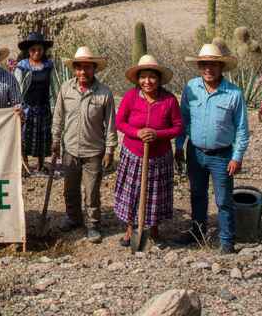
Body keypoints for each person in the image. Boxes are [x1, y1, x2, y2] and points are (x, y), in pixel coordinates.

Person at [173, 43, 250, 254]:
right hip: (195, 152)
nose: (208, 69)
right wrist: (179, 146)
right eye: (204, 64)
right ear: (199, 66)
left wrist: (237, 157)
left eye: (213, 64)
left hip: (222, 155)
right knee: (197, 194)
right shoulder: (191, 88)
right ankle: (197, 232)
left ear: (221, 67)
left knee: (223, 200)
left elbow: (242, 129)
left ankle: (227, 242)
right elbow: (183, 120)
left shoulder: (234, 93)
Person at [114, 55, 183, 247]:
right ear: (138, 79)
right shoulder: (130, 96)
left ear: (159, 79)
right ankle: (130, 229)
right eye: (143, 77)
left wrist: (157, 134)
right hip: (133, 154)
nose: (147, 81)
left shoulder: (169, 100)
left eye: (152, 77)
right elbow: (120, 122)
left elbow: (178, 127)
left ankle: (154, 230)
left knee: (156, 195)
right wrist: (137, 132)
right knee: (132, 193)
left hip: (159, 157)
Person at [50, 46, 117, 241]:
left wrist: (110, 150)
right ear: (74, 69)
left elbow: (111, 124)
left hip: (93, 151)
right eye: (79, 67)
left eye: (87, 67)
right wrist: (55, 140)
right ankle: (73, 218)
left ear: (94, 68)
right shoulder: (66, 89)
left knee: (91, 191)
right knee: (70, 189)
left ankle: (93, 224)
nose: (83, 72)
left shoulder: (104, 93)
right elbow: (58, 116)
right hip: (70, 149)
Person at [13, 33, 54, 174]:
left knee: (43, 137)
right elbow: (17, 88)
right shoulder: (22, 67)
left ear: (43, 50)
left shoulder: (48, 66)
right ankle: (25, 166)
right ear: (28, 51)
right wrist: (18, 107)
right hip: (27, 108)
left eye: (39, 49)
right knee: (24, 137)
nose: (37, 52)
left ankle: (41, 165)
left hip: (43, 107)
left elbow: (53, 86)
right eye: (33, 50)